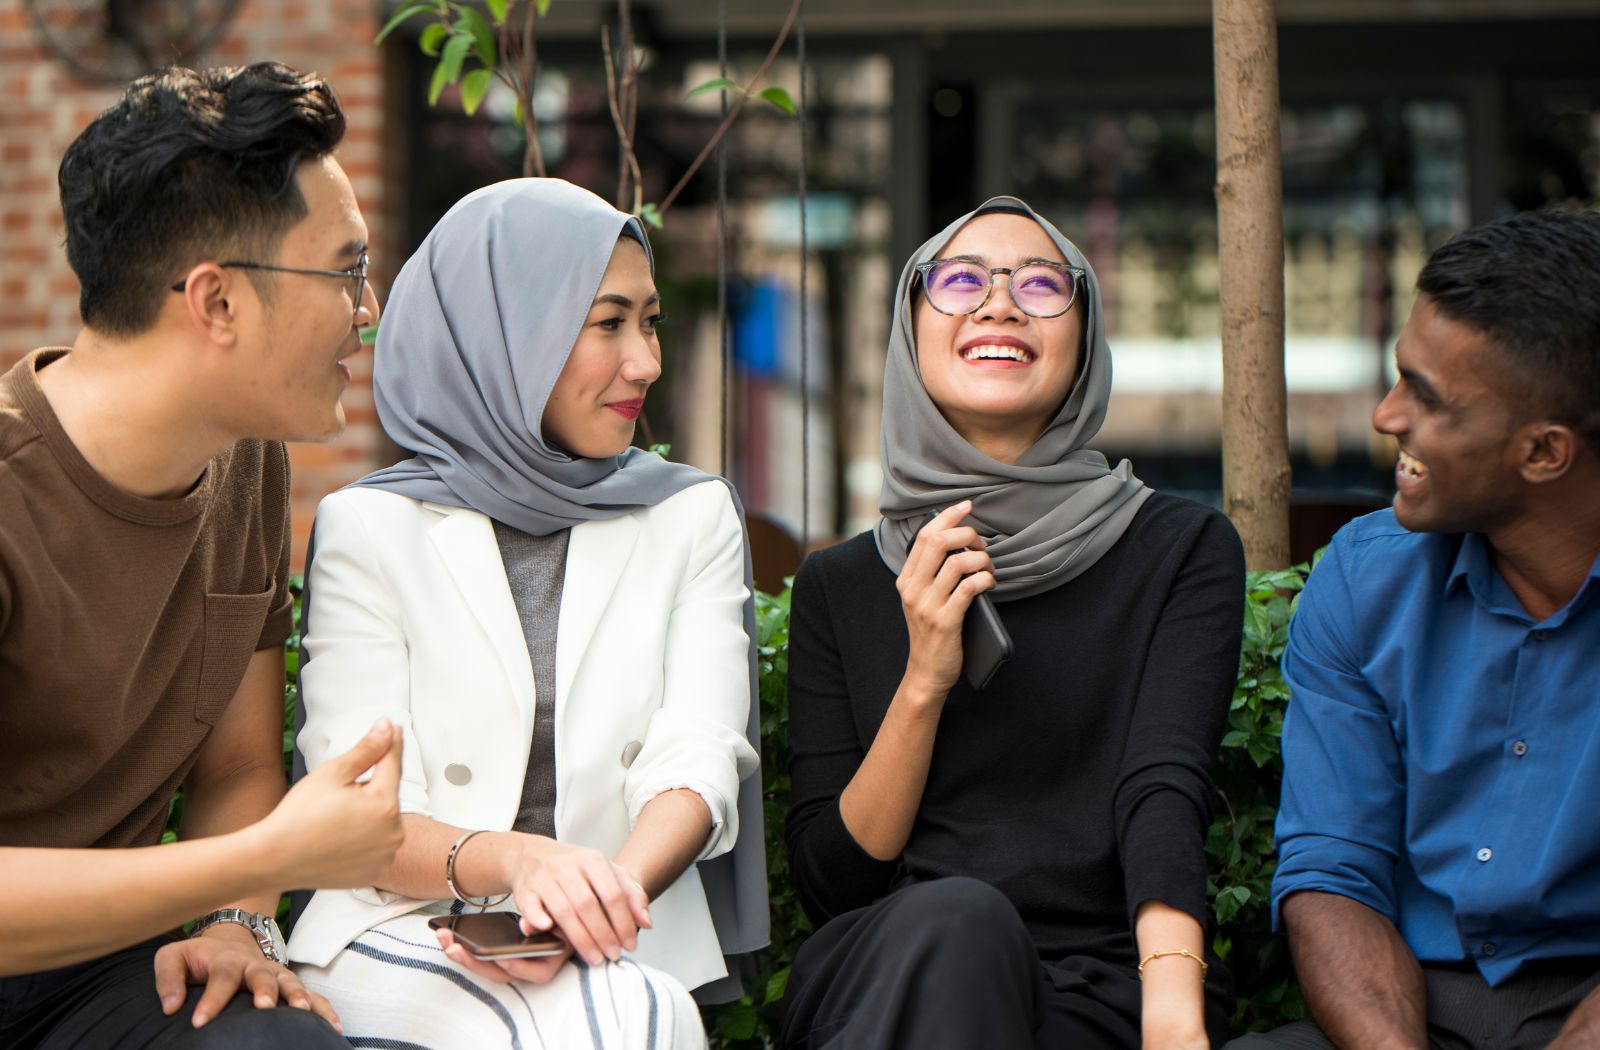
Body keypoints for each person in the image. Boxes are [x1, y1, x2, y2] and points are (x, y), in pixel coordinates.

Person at [286, 177, 766, 1049]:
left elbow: (697, 757)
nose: (645, 363)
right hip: (400, 921)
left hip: (624, 922)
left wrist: (589, 904)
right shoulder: (371, 527)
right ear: (504, 332)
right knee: (625, 1017)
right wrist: (520, 868)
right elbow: (361, 811)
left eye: (649, 320)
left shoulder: (691, 515)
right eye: (608, 322)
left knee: (626, 1007)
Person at [0, 62, 404, 1049]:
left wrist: (236, 920)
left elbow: (232, 766)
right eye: (345, 270)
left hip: (97, 978)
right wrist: (259, 860)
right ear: (216, 303)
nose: (368, 307)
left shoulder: (244, 456)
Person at [779, 196, 1245, 1050]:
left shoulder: (1180, 549)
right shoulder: (839, 585)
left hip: (1094, 980)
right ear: (910, 326)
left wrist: (1172, 1012)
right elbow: (834, 884)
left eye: (1040, 285)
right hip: (892, 976)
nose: (999, 304)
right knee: (959, 921)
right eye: (960, 281)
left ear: (1086, 333)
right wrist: (924, 679)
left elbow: (1161, 787)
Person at [1226, 208, 1600, 1050]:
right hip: (1417, 1005)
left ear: (1543, 453)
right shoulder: (1366, 576)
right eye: (1401, 376)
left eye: (1426, 398)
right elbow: (1333, 870)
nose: (1386, 416)